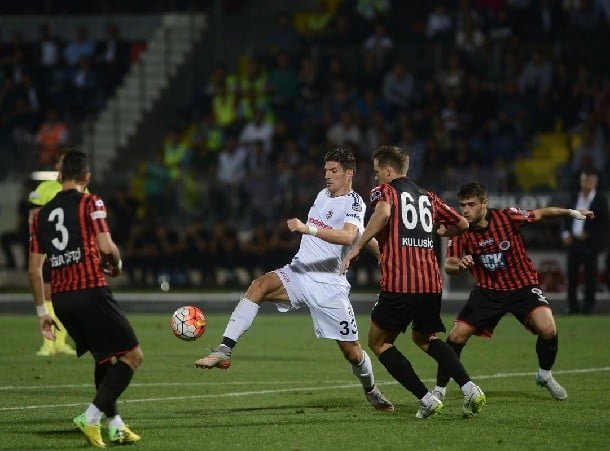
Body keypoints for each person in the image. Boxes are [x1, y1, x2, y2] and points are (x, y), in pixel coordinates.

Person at [195, 148, 394, 412]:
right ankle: (224, 350)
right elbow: (359, 235)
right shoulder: (323, 195)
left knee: (353, 353)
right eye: (325, 171)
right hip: (299, 273)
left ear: (349, 174)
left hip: (329, 286)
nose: (327, 176)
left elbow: (349, 235)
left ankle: (371, 389)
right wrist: (375, 249)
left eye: (333, 171)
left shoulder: (354, 202)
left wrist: (306, 228)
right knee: (259, 285)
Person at [341, 145, 486, 419]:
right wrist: (444, 231)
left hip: (400, 283)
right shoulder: (428, 197)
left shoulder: (385, 191)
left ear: (388, 170)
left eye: (376, 172)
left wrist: (358, 247)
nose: (375, 178)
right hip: (431, 283)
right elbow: (463, 225)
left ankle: (426, 398)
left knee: (379, 342)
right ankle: (469, 388)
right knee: (425, 338)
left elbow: (383, 213)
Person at [433, 182, 595, 402]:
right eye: (462, 205)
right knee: (456, 336)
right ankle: (439, 389)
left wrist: (573, 213)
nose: (465, 210)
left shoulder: (507, 217)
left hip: (522, 287)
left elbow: (540, 214)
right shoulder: (460, 230)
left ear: (484, 203)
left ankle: (544, 375)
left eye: (471, 204)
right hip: (488, 291)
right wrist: (460, 263)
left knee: (548, 329)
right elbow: (449, 265)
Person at [28, 150, 142, 447]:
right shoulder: (92, 202)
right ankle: (90, 417)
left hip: (62, 299)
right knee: (132, 356)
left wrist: (43, 311)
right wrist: (116, 264)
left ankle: (115, 425)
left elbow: (33, 270)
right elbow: (107, 246)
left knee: (104, 358)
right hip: (91, 290)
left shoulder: (40, 216)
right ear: (87, 177)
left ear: (59, 176)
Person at [28, 150, 78, 357]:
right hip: (48, 250)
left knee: (67, 294)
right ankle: (48, 343)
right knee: (48, 292)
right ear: (57, 165)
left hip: (72, 250)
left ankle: (61, 342)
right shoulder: (45, 188)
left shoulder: (80, 190)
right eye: (60, 162)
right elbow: (33, 218)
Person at [561, 172, 608, 314]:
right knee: (572, 277)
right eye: (585, 181)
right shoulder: (575, 196)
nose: (587, 184)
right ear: (582, 182)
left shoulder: (600, 200)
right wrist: (566, 234)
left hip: (590, 245)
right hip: (573, 243)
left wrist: (589, 235)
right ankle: (572, 307)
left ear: (595, 183)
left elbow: (604, 223)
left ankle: (588, 308)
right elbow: (566, 216)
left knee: (590, 278)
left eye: (590, 181)